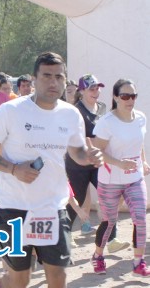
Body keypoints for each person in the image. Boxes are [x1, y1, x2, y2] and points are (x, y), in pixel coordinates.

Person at [0, 52, 103, 288]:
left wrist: (90, 156)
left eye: (59, 77)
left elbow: (77, 152)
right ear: (34, 79)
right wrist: (14, 169)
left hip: (52, 208)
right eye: (46, 76)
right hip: (12, 208)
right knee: (20, 279)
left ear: (65, 81)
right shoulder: (11, 110)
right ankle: (4, 283)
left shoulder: (70, 113)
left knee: (58, 277)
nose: (53, 82)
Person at [90, 78, 150, 276]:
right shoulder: (107, 123)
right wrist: (119, 163)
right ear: (116, 97)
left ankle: (138, 262)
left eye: (133, 96)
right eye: (125, 95)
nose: (130, 99)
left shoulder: (141, 117)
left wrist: (144, 160)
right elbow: (97, 151)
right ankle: (98, 255)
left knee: (140, 219)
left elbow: (138, 142)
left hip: (135, 178)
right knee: (109, 222)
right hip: (110, 180)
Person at [66, 74, 127, 251]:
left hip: (97, 162)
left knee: (109, 197)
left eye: (98, 88)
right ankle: (66, 235)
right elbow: (80, 139)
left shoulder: (102, 107)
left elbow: (106, 132)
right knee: (75, 199)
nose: (96, 91)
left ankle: (111, 240)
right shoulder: (76, 111)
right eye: (92, 88)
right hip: (77, 164)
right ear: (82, 91)